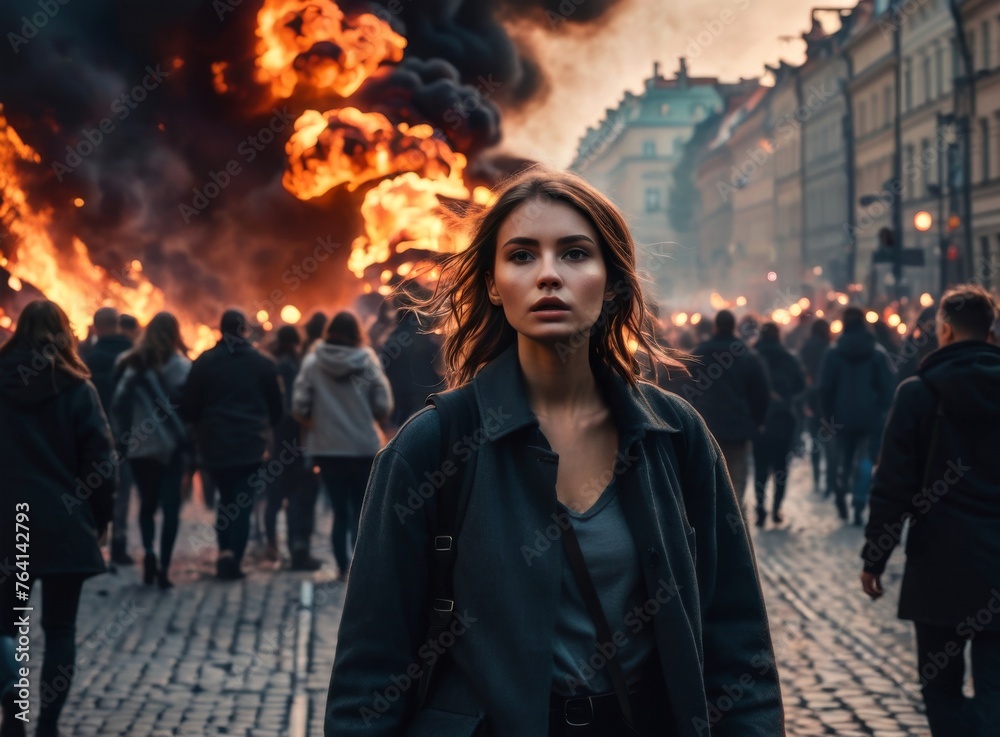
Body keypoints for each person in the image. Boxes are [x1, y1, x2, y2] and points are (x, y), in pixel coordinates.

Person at [324, 168, 784, 736]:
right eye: (520, 256)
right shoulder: (430, 448)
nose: (548, 275)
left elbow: (735, 640)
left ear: (612, 280)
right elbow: (372, 667)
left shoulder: (675, 435)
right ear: (492, 284)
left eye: (573, 254)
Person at [861, 285, 1000, 737]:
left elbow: (892, 485)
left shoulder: (918, 394)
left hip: (940, 562)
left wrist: (875, 557)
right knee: (997, 690)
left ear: (943, 329)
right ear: (990, 330)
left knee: (940, 688)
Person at [0, 300, 117, 737]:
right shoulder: (76, 387)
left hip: (8, 524)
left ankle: (14, 718)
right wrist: (100, 518)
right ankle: (47, 724)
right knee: (60, 628)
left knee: (5, 626)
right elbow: (100, 463)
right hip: (62, 523)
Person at [179, 309, 284, 580]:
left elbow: (188, 407)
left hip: (214, 444)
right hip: (249, 444)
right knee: (243, 502)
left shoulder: (204, 362)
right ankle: (233, 557)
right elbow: (277, 409)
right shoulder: (263, 364)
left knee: (226, 499)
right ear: (245, 330)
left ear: (220, 330)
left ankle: (225, 551)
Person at [292, 310, 393, 579]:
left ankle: (341, 567)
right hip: (363, 448)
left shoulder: (313, 362)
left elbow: (299, 405)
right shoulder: (368, 359)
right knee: (363, 509)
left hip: (328, 450)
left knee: (339, 511)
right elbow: (383, 405)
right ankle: (363, 567)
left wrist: (317, 423)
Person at [110, 312, 191, 589]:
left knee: (146, 506)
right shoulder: (183, 368)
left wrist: (122, 438)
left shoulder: (130, 365)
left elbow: (118, 404)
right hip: (173, 446)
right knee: (171, 509)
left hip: (140, 447)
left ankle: (149, 553)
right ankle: (165, 567)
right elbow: (191, 410)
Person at [682, 310, 770, 513]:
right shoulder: (746, 355)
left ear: (715, 327)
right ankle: (733, 527)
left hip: (704, 428)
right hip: (737, 430)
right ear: (734, 327)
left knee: (707, 482)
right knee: (736, 483)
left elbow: (683, 391)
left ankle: (711, 528)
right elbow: (761, 393)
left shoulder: (697, 354)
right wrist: (757, 421)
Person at [819, 306, 894, 524]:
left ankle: (841, 492)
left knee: (844, 458)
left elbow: (825, 388)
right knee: (867, 460)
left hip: (841, 417)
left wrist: (827, 416)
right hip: (870, 417)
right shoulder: (877, 352)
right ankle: (859, 503)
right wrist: (881, 410)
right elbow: (888, 387)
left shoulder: (833, 352)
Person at [82, 306, 136, 565]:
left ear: (96, 326)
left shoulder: (87, 356)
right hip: (127, 434)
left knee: (92, 487)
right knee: (123, 491)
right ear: (116, 324)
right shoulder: (133, 355)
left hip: (92, 434)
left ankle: (93, 543)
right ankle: (119, 545)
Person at [266, 326, 322, 570]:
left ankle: (273, 546)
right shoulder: (300, 367)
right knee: (299, 498)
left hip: (275, 443)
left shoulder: (271, 365)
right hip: (297, 441)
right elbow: (301, 406)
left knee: (276, 498)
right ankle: (298, 549)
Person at [752, 323, 806, 527]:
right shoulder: (789, 357)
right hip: (783, 419)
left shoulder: (753, 356)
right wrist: (788, 398)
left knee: (760, 466)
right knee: (781, 466)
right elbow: (801, 386)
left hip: (760, 419)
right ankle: (776, 509)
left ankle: (759, 509)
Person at [799, 318, 831, 495]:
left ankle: (817, 475)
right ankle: (829, 483)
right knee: (829, 442)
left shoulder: (805, 348)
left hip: (811, 399)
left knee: (815, 439)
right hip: (827, 400)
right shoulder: (830, 349)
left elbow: (802, 375)